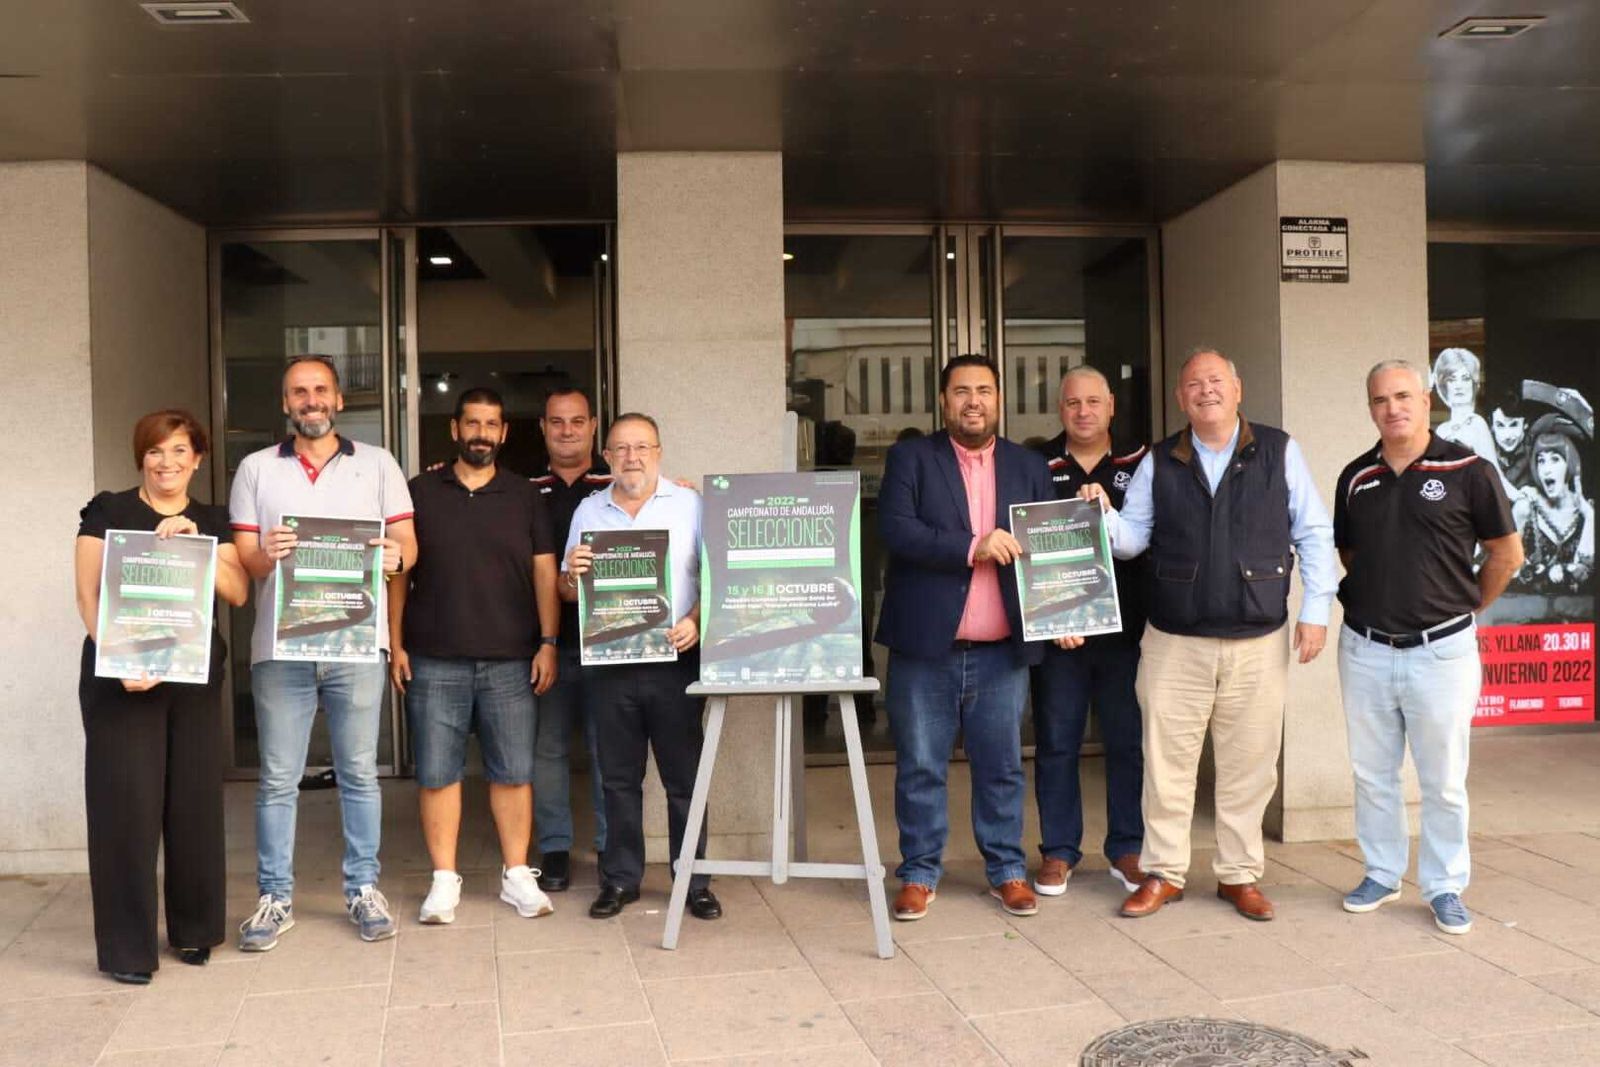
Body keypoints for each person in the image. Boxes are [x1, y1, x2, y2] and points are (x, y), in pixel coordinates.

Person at [1081, 347, 1336, 922]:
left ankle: (1239, 875)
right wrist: (1101, 512)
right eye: (1193, 384)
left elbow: (1315, 534)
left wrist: (1316, 610)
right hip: (1174, 641)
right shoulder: (1159, 461)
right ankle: (1165, 873)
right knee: (1167, 765)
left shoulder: (1279, 450)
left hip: (1258, 639)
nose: (1206, 391)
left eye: (1216, 381)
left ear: (1238, 389)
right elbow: (1132, 540)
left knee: (1250, 765)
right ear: (1180, 397)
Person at [231, 354, 417, 950]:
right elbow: (246, 563)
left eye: (320, 390)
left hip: (357, 644)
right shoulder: (256, 469)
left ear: (339, 400)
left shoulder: (380, 464)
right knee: (278, 777)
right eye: (298, 392)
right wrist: (268, 552)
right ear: (285, 404)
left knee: (360, 773)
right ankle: (274, 899)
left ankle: (363, 889)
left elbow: (407, 544)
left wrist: (396, 557)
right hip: (280, 648)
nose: (310, 400)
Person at [1335, 359, 1522, 934]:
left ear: (1426, 398)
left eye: (1403, 396)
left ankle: (1444, 885)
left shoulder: (1469, 469)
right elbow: (1350, 556)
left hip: (1441, 652)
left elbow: (1506, 555)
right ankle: (1382, 873)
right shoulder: (1355, 477)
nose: (1392, 408)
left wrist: (1461, 611)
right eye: (1380, 400)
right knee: (1373, 773)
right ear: (1370, 408)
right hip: (1365, 649)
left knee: (1442, 780)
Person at [876, 353, 1055, 921]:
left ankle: (1006, 870)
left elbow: (1051, 547)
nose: (972, 400)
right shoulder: (911, 458)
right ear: (943, 400)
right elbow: (898, 531)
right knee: (921, 765)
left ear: (999, 400)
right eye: (961, 391)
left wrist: (1066, 615)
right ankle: (919, 872)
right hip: (926, 649)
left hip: (1002, 651)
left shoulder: (1029, 465)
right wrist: (971, 546)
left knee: (1000, 766)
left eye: (983, 390)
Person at [73, 410, 250, 984]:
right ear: (140, 458)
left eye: (179, 451)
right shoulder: (109, 511)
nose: (167, 462)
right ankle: (127, 950)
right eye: (155, 452)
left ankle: (196, 931)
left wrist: (202, 544)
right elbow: (87, 592)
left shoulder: (213, 519)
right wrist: (121, 657)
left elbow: (238, 592)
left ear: (197, 458)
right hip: (122, 681)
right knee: (125, 810)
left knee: (194, 804)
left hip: (194, 678)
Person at [388, 387, 560, 923]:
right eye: (472, 423)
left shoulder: (525, 495)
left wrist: (549, 643)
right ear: (455, 430)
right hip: (434, 657)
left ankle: (516, 876)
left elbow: (545, 572)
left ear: (504, 433)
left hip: (511, 659)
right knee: (438, 774)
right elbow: (398, 572)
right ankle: (444, 881)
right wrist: (394, 643)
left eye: (491, 424)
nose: (481, 433)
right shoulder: (419, 491)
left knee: (514, 771)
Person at [561, 413, 722, 921]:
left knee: (684, 778)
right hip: (611, 663)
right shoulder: (588, 512)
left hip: (675, 659)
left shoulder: (691, 505)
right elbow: (568, 590)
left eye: (642, 447)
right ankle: (621, 880)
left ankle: (693, 881)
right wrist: (572, 575)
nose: (632, 457)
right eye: (621, 449)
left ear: (659, 451)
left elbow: (719, 577)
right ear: (606, 457)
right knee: (618, 779)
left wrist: (697, 620)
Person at [1029, 366, 1149, 897]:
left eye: (1093, 402)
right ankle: (1058, 851)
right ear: (1061, 409)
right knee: (1057, 742)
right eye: (1073, 403)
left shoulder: (1144, 462)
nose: (1083, 412)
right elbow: (1026, 545)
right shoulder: (1036, 465)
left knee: (1128, 741)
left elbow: (1153, 539)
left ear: (1112, 407)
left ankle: (1128, 846)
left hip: (1128, 634)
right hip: (1062, 635)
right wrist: (1054, 617)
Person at [530, 386, 612, 893]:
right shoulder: (522, 490)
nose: (567, 431)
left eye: (577, 421)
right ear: (543, 428)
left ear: (593, 425)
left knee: (610, 752)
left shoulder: (618, 484)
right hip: (548, 644)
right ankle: (555, 849)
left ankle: (610, 849)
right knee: (549, 750)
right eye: (557, 422)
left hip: (612, 641)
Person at [1517, 417, 1595, 595]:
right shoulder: (1526, 508)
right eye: (1541, 461)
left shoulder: (1588, 512)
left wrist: (1590, 517)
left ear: (1571, 464)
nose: (1546, 469)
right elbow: (1511, 572)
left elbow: (1585, 575)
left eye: (1555, 459)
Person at [1432, 348, 1497, 469]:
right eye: (1452, 380)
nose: (1459, 386)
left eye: (1465, 378)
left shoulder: (1477, 424)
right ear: (1444, 386)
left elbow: (1493, 473)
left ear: (1474, 384)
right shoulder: (1441, 430)